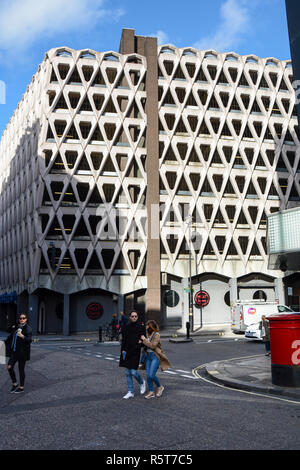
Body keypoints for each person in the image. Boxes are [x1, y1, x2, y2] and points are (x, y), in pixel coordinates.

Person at [119, 311, 146, 399]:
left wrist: (138, 344)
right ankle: (131, 391)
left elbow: (143, 341)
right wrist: (122, 350)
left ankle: (142, 382)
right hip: (126, 351)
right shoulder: (126, 327)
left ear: (137, 317)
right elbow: (124, 340)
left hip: (135, 352)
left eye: (135, 316)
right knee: (127, 372)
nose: (134, 317)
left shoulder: (141, 327)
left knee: (133, 372)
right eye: (132, 316)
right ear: (130, 317)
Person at [141, 320, 171, 399]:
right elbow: (145, 344)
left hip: (155, 356)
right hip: (148, 356)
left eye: (147, 325)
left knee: (151, 375)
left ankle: (160, 386)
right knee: (148, 376)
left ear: (151, 327)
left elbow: (153, 346)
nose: (146, 327)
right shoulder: (147, 334)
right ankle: (151, 391)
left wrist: (144, 340)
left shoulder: (156, 335)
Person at [6, 313, 32, 393]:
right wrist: (13, 325)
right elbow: (8, 331)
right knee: (9, 367)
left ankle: (21, 387)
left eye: (23, 318)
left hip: (22, 353)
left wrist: (22, 336)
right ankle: (15, 384)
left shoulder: (28, 328)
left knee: (21, 370)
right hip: (14, 352)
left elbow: (29, 340)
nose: (21, 319)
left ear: (26, 319)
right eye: (20, 318)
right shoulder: (16, 327)